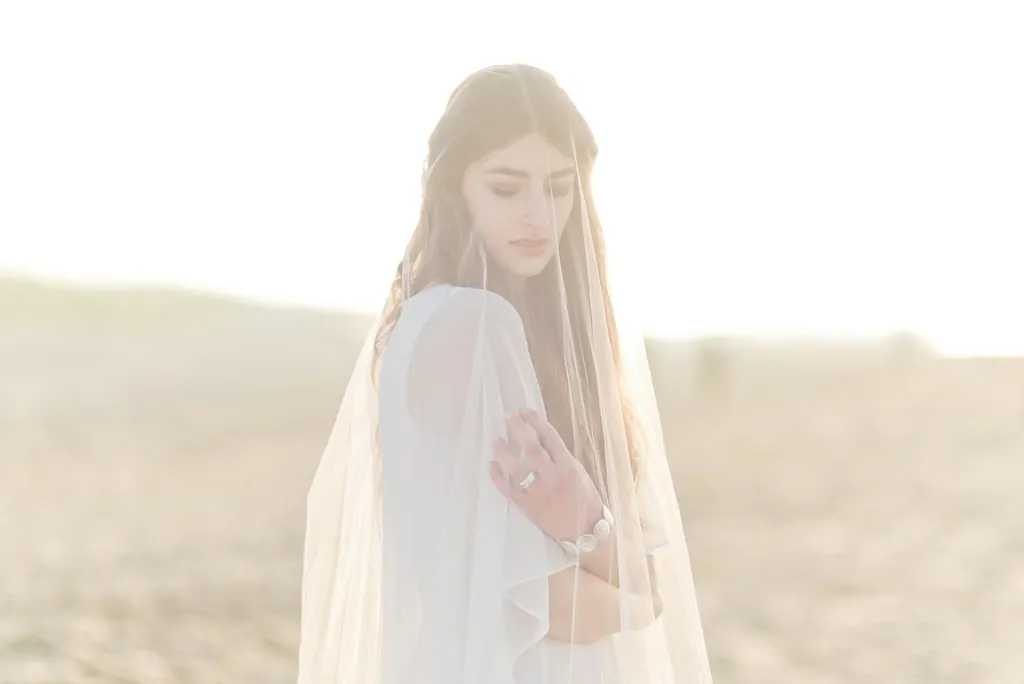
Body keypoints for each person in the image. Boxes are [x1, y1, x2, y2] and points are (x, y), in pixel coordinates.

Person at [297, 63, 713, 684]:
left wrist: (590, 526)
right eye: (506, 187)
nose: (539, 217)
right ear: (454, 188)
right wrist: (632, 593)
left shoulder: (442, 319)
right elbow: (543, 599)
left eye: (559, 187)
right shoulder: (471, 326)